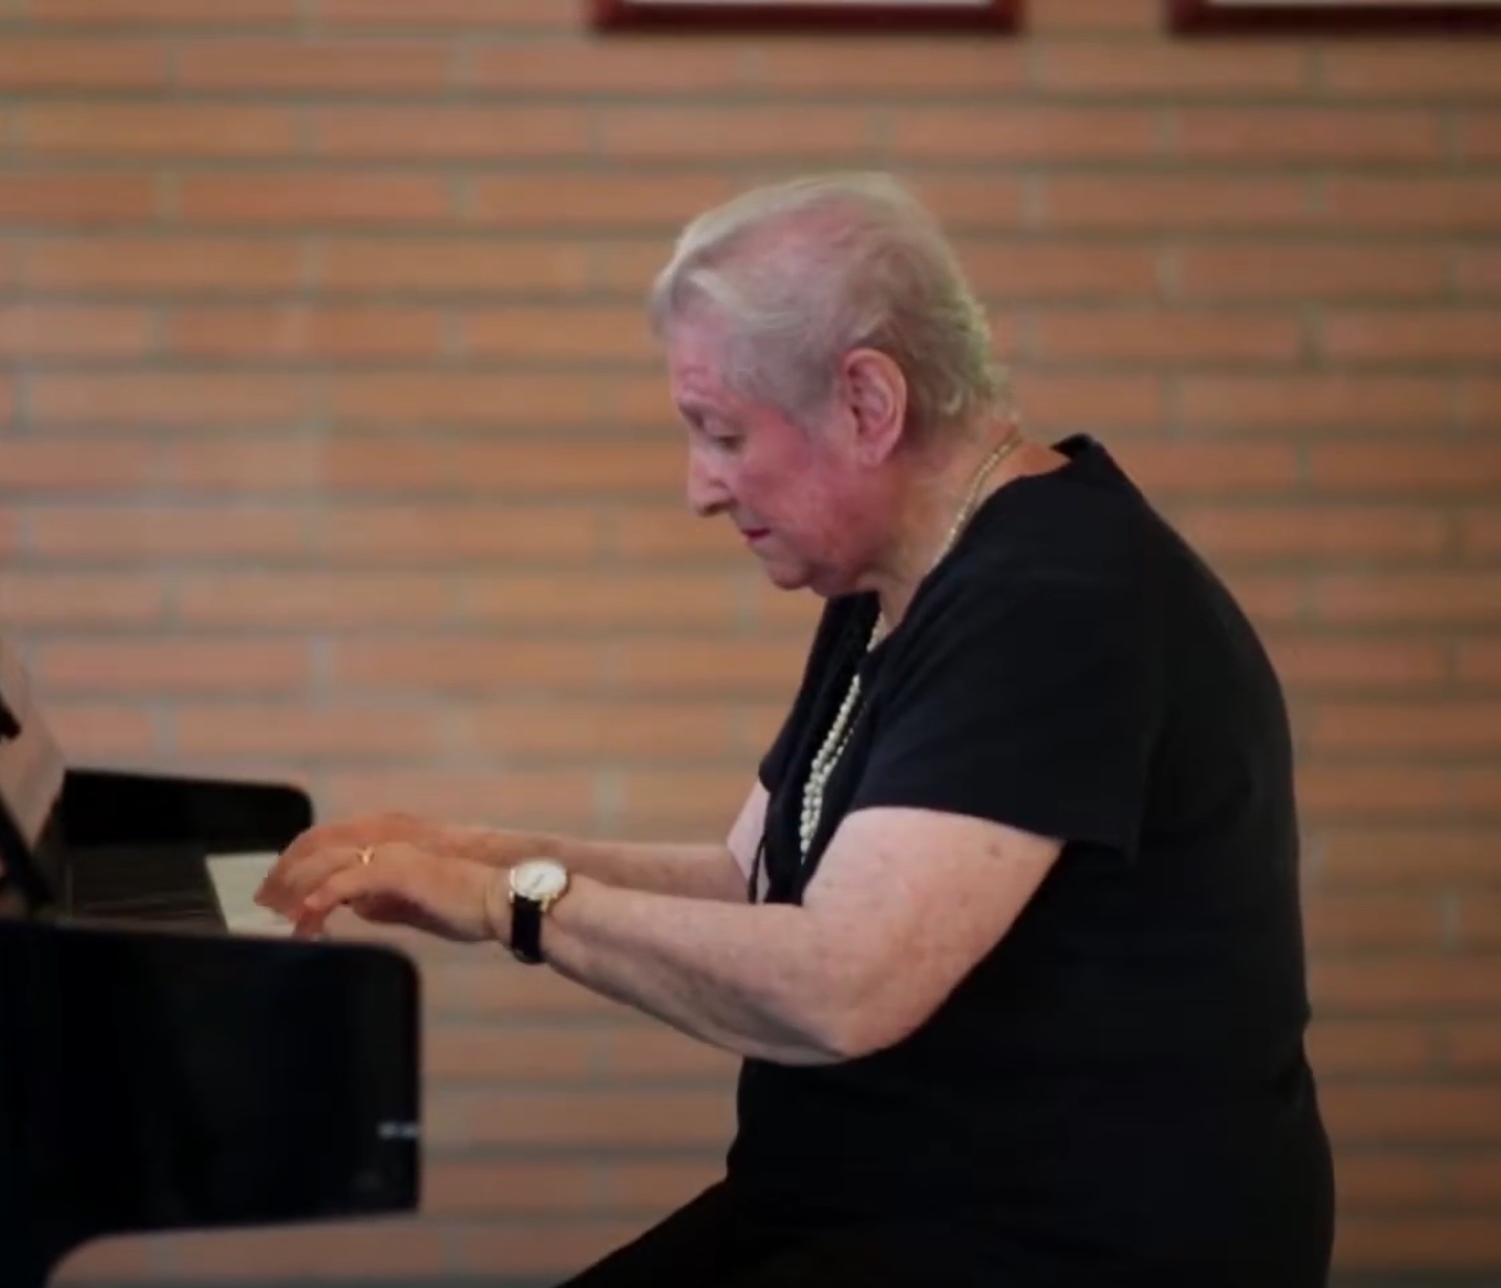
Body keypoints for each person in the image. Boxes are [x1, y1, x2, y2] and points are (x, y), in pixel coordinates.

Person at [255, 172, 1335, 1288]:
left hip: (1060, 1244)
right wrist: (469, 852)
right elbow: (749, 880)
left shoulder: (1056, 601)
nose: (699, 489)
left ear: (867, 404)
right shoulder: (897, 579)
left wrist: (505, 902)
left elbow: (842, 984)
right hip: (873, 1209)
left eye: (720, 433)